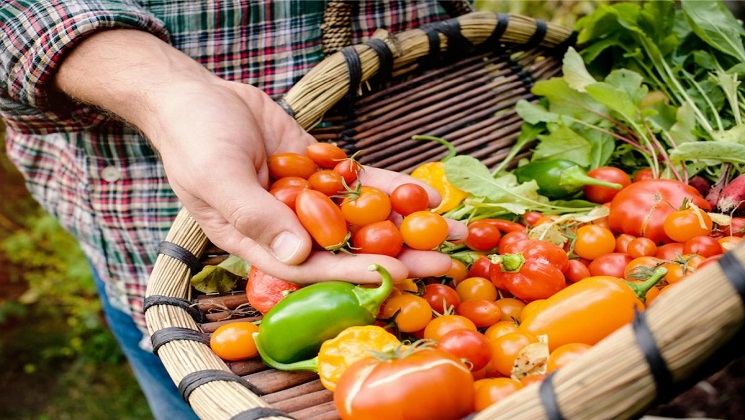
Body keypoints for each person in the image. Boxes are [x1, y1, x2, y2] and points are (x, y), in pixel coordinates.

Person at [0, 1, 470, 418]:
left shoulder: (326, 187)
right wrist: (171, 94)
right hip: (151, 271)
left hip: (416, 123)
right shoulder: (313, 188)